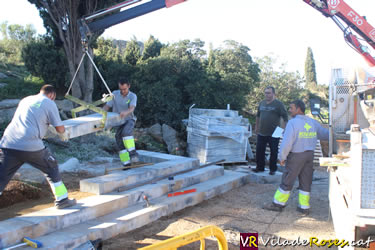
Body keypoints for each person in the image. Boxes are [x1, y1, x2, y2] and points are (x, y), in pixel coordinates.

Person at [0, 84, 76, 209]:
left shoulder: (26, 100)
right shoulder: (49, 103)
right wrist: (63, 135)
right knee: (51, 166)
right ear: (52, 95)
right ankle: (62, 200)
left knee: (1, 176)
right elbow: (60, 128)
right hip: (31, 144)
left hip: (8, 143)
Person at [262, 100, 329, 215]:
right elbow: (326, 134)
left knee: (288, 179)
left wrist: (282, 157)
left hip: (296, 155)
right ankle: (304, 207)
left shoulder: (292, 123)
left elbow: (287, 143)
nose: (289, 110)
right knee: (306, 180)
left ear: (298, 109)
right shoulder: (313, 122)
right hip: (309, 155)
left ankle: (278, 204)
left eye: (291, 108)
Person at [253, 86, 288, 175]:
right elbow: (258, 116)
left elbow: (285, 117)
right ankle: (260, 167)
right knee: (259, 151)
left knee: (274, 151)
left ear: (273, 94)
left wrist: (283, 129)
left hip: (275, 132)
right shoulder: (261, 103)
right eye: (266, 93)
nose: (267, 95)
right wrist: (256, 127)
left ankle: (273, 169)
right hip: (262, 131)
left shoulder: (278, 104)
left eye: (269, 93)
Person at [103, 78, 138, 166]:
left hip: (129, 119)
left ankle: (133, 154)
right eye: (121, 89)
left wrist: (125, 112)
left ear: (129, 86)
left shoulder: (132, 96)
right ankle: (126, 163)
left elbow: (132, 108)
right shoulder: (114, 94)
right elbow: (107, 106)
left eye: (124, 89)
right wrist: (100, 114)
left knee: (126, 133)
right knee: (119, 142)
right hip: (118, 121)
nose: (122, 91)